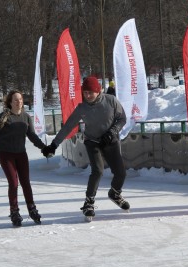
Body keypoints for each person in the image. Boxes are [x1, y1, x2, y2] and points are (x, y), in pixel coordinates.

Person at [41, 76, 129, 221]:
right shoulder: (82, 108)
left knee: (120, 172)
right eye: (85, 93)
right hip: (92, 141)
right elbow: (68, 126)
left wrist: (112, 132)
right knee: (97, 171)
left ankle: (115, 193)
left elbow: (122, 119)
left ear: (98, 91)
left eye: (90, 93)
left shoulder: (111, 101)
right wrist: (54, 145)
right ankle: (89, 203)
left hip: (110, 141)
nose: (87, 96)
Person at [0, 90, 45, 227]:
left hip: (21, 153)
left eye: (20, 99)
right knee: (13, 183)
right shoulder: (4, 116)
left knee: (26, 182)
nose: (19, 102)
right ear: (10, 102)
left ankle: (31, 208)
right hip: (6, 154)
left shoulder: (26, 117)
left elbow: (32, 135)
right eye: (15, 100)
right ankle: (14, 211)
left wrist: (44, 147)